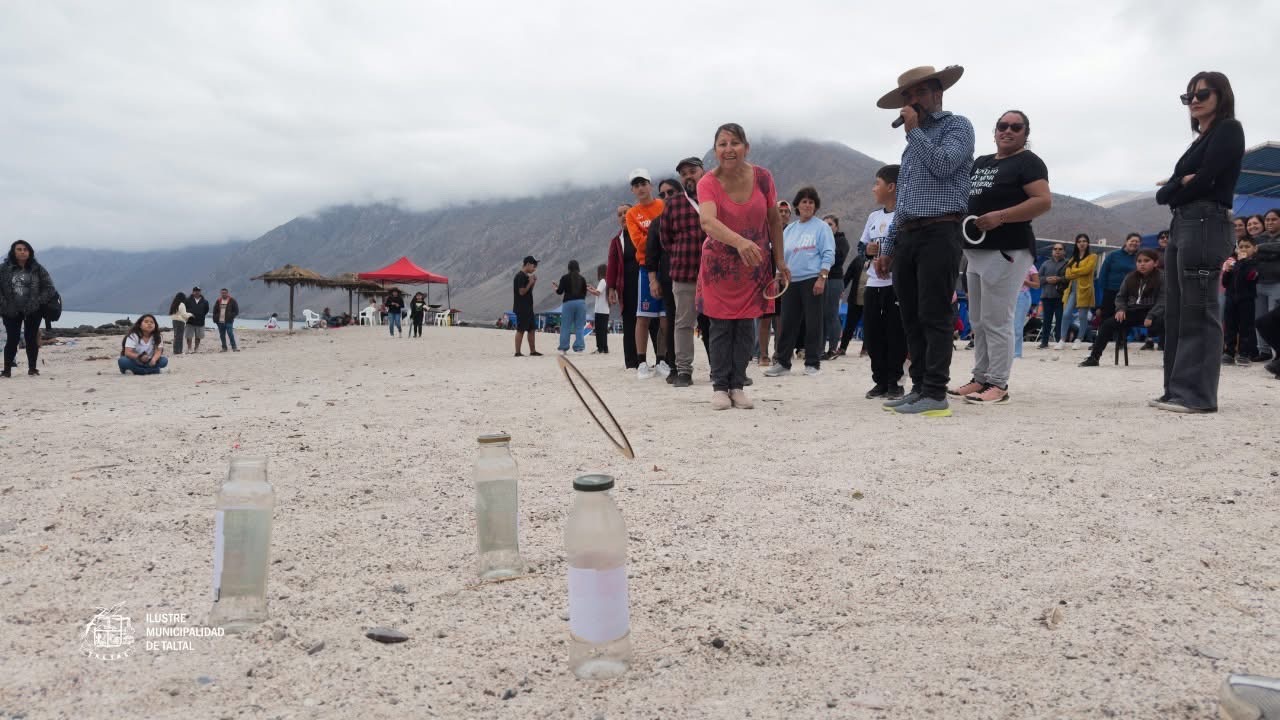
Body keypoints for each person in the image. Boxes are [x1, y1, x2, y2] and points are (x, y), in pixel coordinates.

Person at [874, 65, 975, 417]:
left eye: (917, 93)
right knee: (912, 316)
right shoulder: (909, 148)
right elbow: (903, 201)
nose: (911, 101)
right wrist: (887, 248)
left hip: (940, 230)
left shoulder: (957, 126)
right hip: (908, 235)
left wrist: (915, 132)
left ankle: (935, 391)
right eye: (907, 96)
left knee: (934, 312)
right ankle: (918, 387)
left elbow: (945, 165)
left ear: (937, 93)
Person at [1152, 71, 1245, 413]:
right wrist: (1180, 183)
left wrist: (1180, 184)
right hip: (1183, 222)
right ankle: (1176, 389)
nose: (1193, 101)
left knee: (1199, 306)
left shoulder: (1229, 130)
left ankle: (1198, 395)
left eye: (1202, 94)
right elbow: (1164, 194)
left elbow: (1208, 180)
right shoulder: (1198, 142)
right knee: (1177, 310)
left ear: (1221, 95)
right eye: (1188, 96)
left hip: (1206, 220)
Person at [947, 109, 1051, 404]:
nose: (1008, 131)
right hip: (976, 250)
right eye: (1003, 126)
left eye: (1016, 127)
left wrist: (1002, 216)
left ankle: (998, 383)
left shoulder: (1028, 162)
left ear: (1025, 133)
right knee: (978, 320)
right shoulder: (981, 162)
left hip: (1007, 249)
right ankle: (980, 377)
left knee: (997, 319)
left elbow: (1043, 201)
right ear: (995, 131)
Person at [696, 123, 788, 410]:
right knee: (722, 326)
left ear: (746, 147)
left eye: (734, 143)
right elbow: (708, 221)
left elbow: (774, 220)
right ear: (715, 151)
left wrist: (780, 261)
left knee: (747, 326)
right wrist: (739, 242)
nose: (728, 149)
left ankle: (738, 384)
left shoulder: (763, 177)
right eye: (722, 144)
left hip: (755, 264)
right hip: (720, 266)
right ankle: (719, 387)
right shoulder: (707, 182)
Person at [765, 187, 835, 378]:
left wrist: (822, 277)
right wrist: (779, 275)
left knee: (813, 323)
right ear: (797, 205)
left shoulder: (821, 227)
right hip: (791, 281)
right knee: (787, 322)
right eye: (804, 201)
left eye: (811, 202)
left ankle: (812, 363)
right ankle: (782, 363)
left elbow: (828, 253)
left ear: (815, 206)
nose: (807, 205)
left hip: (813, 279)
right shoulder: (790, 230)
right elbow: (781, 254)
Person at [658, 158, 710, 387]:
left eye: (692, 171)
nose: (688, 176)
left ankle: (721, 370)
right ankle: (684, 371)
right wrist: (681, 254)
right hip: (683, 272)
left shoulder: (715, 197)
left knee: (718, 324)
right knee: (683, 323)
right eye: (684, 174)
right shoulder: (673, 204)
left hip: (714, 273)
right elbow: (665, 238)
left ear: (703, 172)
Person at [859, 165, 908, 399]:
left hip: (895, 285)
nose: (873, 188)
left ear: (891, 187)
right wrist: (867, 251)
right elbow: (862, 247)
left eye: (877, 183)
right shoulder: (873, 217)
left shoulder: (905, 215)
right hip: (873, 284)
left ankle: (895, 381)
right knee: (872, 334)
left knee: (895, 333)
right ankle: (879, 380)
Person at [1079, 249, 1166, 367]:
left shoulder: (1162, 277)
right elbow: (1120, 297)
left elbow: (1163, 300)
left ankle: (1169, 361)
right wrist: (1120, 309)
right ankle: (1094, 358)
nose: (1142, 264)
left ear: (1155, 263)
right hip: (1133, 311)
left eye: (1146, 261)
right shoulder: (1130, 277)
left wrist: (1152, 315)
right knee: (1107, 325)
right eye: (1139, 261)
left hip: (1154, 313)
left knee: (1168, 325)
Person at [625, 169, 667, 380]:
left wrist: (652, 238)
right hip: (646, 268)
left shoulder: (663, 205)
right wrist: (659, 240)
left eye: (643, 183)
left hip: (667, 266)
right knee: (643, 317)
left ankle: (662, 360)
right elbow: (638, 243)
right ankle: (642, 362)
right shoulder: (632, 214)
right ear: (633, 190)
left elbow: (670, 233)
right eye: (636, 185)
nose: (640, 188)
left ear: (650, 185)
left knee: (665, 318)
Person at [0, 240, 57, 377]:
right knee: (12, 339)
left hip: (33, 310)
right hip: (10, 310)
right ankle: (7, 370)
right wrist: (3, 303)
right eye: (19, 249)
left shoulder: (37, 268)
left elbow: (49, 289)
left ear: (30, 252)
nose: (22, 251)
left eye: (25, 249)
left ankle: (32, 368)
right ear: (13, 252)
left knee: (31, 339)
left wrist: (37, 302)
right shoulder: (3, 269)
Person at [645, 179, 681, 381]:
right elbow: (652, 256)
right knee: (672, 322)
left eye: (671, 192)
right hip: (668, 278)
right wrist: (653, 281)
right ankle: (674, 367)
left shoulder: (694, 215)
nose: (667, 197)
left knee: (706, 321)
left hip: (697, 277)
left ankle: (715, 367)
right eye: (663, 194)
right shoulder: (657, 223)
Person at [756, 200, 791, 366]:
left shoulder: (793, 232)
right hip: (766, 280)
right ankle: (763, 354)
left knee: (782, 320)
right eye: (780, 211)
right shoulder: (765, 232)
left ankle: (779, 353)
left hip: (786, 280)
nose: (783, 214)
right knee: (765, 319)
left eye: (786, 211)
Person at [1222, 237, 1259, 365]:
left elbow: (1251, 277)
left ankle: (1244, 353)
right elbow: (1225, 283)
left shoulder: (1255, 264)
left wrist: (1243, 263)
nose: (1243, 249)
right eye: (1241, 247)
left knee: (1246, 327)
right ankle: (1229, 352)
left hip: (1246, 300)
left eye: (1247, 247)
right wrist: (1227, 272)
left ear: (1255, 249)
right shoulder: (1234, 264)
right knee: (1230, 326)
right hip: (1231, 299)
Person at [1060, 234, 1098, 347]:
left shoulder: (1093, 256)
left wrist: (1074, 270)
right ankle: (1062, 339)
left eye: (1084, 241)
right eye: (1079, 241)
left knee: (1082, 316)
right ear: (1076, 244)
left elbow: (1087, 270)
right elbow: (1067, 275)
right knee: (1066, 314)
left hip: (1085, 289)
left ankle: (1079, 339)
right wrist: (1076, 271)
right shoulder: (1072, 258)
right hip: (1072, 290)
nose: (1082, 243)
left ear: (1087, 243)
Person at [820, 215, 850, 359]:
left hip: (834, 280)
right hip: (820, 279)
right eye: (824, 224)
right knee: (822, 315)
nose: (827, 227)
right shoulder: (820, 240)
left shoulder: (841, 241)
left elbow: (836, 260)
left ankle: (833, 348)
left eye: (830, 224)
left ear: (836, 227)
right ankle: (820, 349)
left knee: (831, 314)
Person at [1098, 233, 1142, 320]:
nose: (1134, 243)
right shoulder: (1113, 255)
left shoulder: (1140, 258)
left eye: (1137, 242)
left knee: (1123, 319)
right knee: (1106, 317)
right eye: (1132, 241)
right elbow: (1103, 273)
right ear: (1126, 242)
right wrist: (1101, 294)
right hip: (1111, 291)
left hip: (1129, 294)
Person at [1255, 213, 1280, 360]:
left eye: (1274, 219)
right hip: (1259, 283)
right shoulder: (1259, 238)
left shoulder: (1258, 243)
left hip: (1277, 283)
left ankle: (1277, 354)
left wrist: (1259, 249)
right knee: (1259, 318)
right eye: (1267, 220)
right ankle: (1263, 351)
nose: (1270, 222)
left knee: (1274, 320)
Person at [553, 260, 589, 354]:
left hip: (568, 303)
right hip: (581, 303)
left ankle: (564, 348)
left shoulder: (564, 278)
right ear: (578, 268)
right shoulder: (582, 279)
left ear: (569, 268)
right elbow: (585, 293)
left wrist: (556, 288)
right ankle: (579, 348)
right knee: (579, 326)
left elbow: (560, 291)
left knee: (565, 326)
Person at [1038, 243, 1069, 348]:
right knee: (1046, 320)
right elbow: (1038, 279)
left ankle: (1059, 343)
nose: (1057, 251)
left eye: (1060, 249)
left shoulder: (1068, 264)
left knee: (1060, 321)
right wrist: (1046, 279)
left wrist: (1059, 279)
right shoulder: (1045, 264)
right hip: (1046, 297)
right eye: (1055, 249)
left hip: (1061, 297)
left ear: (1064, 251)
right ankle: (1044, 342)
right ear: (1052, 251)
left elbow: (1070, 278)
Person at [512, 256, 541, 357]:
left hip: (528, 307)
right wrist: (530, 282)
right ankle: (517, 352)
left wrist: (532, 283)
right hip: (522, 307)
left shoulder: (525, 277)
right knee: (521, 329)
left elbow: (528, 291)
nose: (534, 269)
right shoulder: (520, 276)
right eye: (533, 266)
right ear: (528, 264)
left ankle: (533, 351)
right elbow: (521, 292)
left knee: (532, 329)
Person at [1012, 265, 1039, 359]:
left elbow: (1037, 285)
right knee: (1006, 326)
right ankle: (1007, 351)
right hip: (1008, 295)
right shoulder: (1007, 264)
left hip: (1022, 295)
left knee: (1017, 326)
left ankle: (1016, 353)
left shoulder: (1030, 266)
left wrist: (1025, 281)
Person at [212, 288, 240, 352]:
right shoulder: (218, 300)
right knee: (222, 335)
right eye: (222, 293)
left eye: (225, 293)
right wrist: (215, 319)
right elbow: (215, 310)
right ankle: (224, 348)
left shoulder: (232, 300)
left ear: (227, 293)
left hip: (228, 321)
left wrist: (231, 316)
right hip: (220, 321)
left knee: (230, 333)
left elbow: (236, 311)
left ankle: (234, 347)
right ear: (221, 293)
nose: (223, 294)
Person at [590, 264, 610, 354]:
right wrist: (592, 288)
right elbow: (600, 292)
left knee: (599, 330)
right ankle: (605, 348)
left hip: (600, 310)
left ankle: (600, 348)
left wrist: (588, 290)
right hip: (606, 310)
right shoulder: (607, 281)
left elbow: (597, 293)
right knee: (604, 330)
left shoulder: (602, 281)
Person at [184, 286, 209, 353]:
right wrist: (189, 314)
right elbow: (184, 309)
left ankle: (196, 348)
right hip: (190, 321)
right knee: (189, 336)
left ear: (200, 292)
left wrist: (201, 315)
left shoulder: (205, 301)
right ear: (193, 292)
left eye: (198, 291)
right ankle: (189, 348)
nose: (197, 292)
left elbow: (206, 310)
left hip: (200, 322)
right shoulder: (187, 300)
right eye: (195, 291)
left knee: (198, 336)